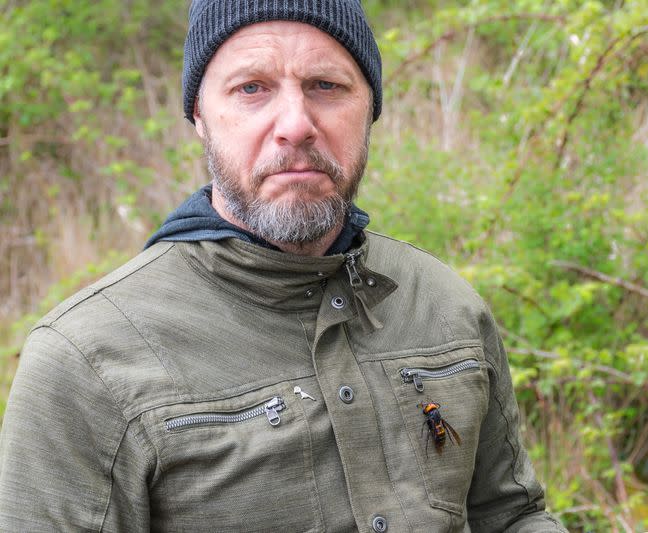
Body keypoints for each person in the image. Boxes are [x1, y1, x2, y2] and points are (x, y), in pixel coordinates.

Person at [0, 1, 567, 531]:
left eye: (326, 86)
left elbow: (512, 514)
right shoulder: (87, 363)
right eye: (252, 88)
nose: (295, 123)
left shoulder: (444, 304)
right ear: (200, 113)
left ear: (370, 107)